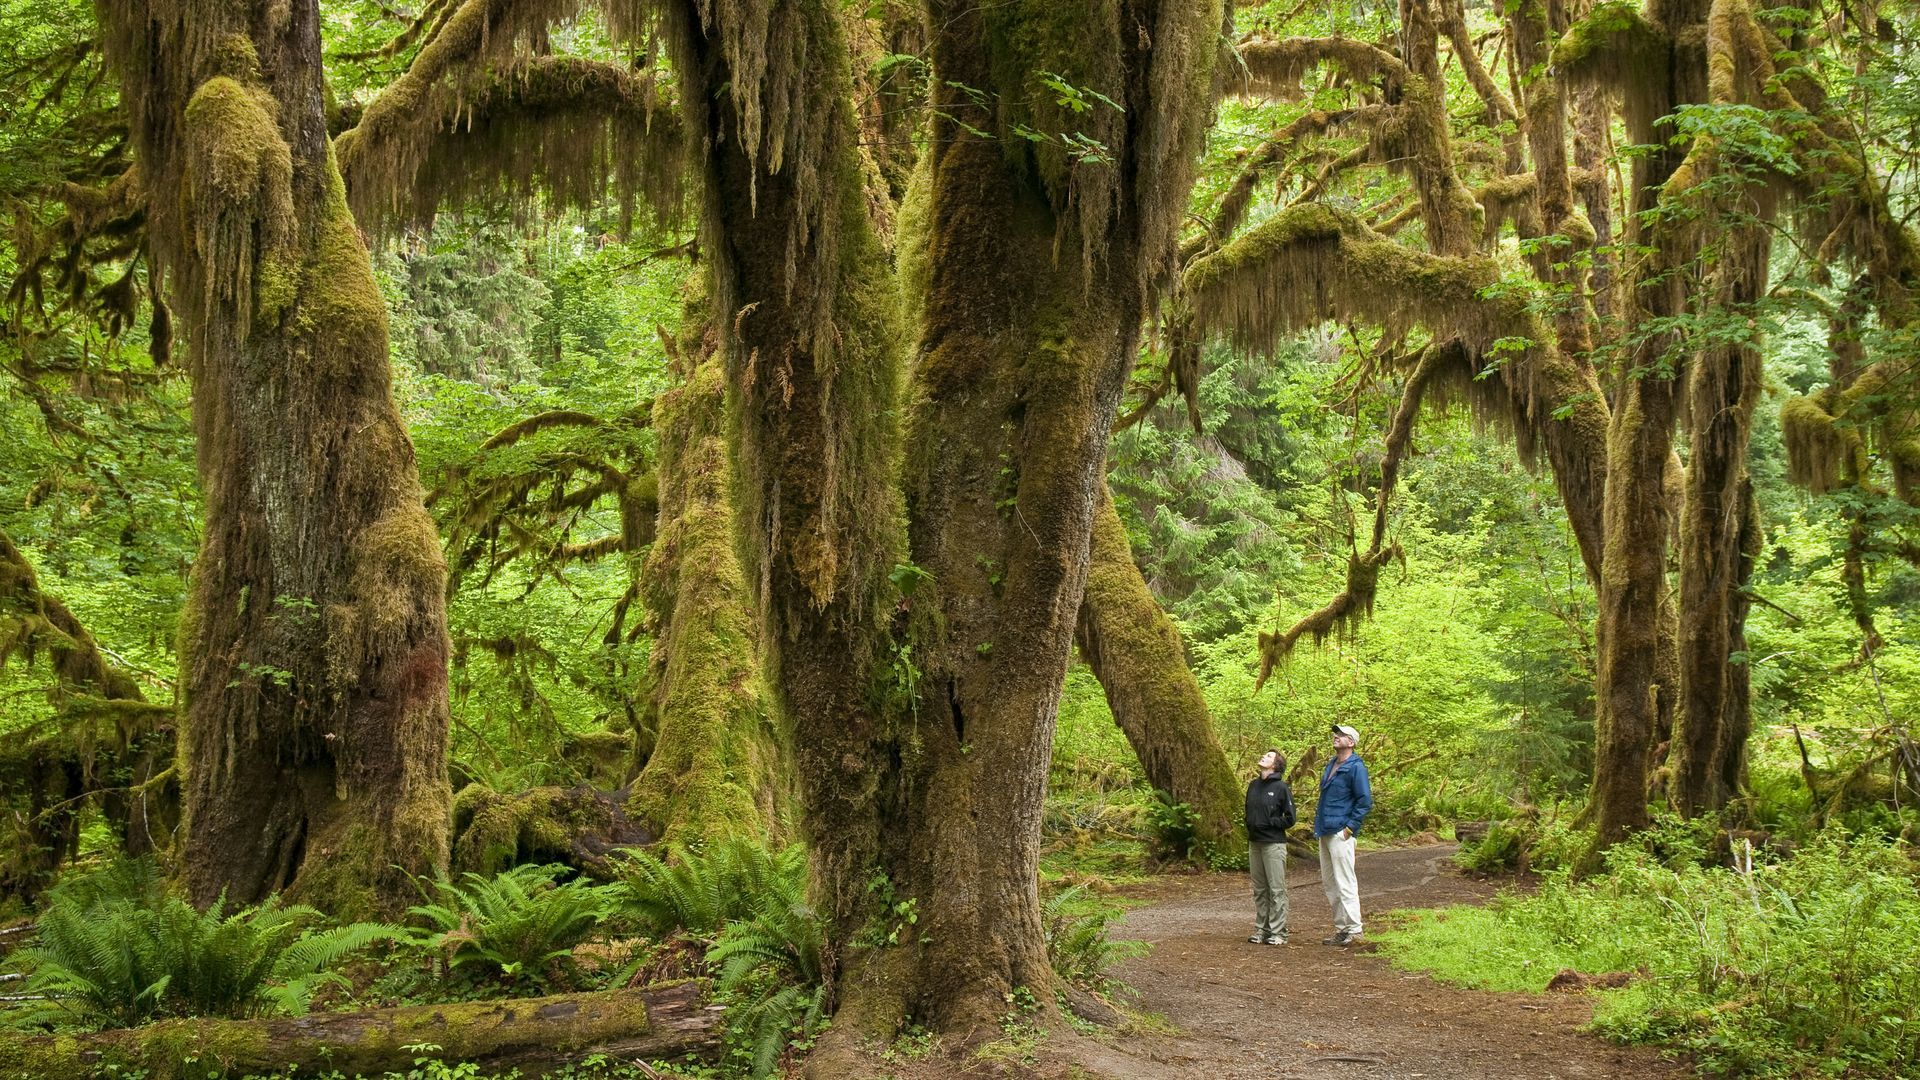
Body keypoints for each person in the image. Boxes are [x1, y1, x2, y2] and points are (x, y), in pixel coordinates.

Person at [1314, 723, 1372, 946]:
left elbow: (1364, 800)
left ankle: (1355, 929)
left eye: (1342, 735)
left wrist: (1350, 827)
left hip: (1341, 831)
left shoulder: (1356, 767)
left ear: (1352, 742)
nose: (1336, 737)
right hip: (1325, 829)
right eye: (1336, 734)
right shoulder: (1331, 765)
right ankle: (1341, 928)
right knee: (1330, 882)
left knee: (1345, 881)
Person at [1244, 748, 1296, 945]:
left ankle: (1278, 932)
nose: (1263, 756)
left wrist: (1271, 823)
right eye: (1264, 754)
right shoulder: (1253, 786)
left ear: (1275, 764)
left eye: (1268, 756)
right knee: (1259, 889)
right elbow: (1248, 810)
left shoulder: (1281, 787)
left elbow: (1291, 818)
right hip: (1255, 842)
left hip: (1273, 843)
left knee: (1276, 889)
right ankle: (1261, 929)